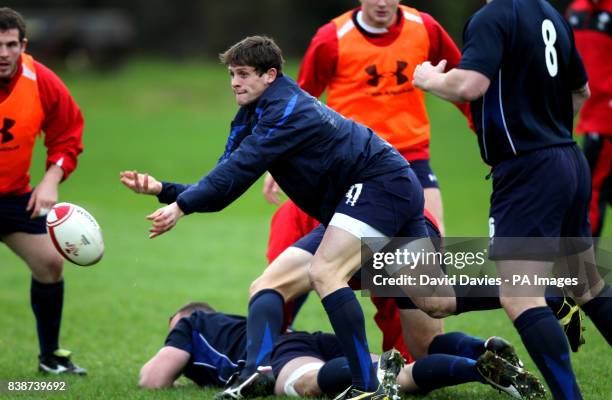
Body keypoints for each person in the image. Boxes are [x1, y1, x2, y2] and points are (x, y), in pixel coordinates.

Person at [121, 34, 449, 399]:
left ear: (270, 75)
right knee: (436, 300)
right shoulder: (253, 113)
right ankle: (255, 374)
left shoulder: (288, 110)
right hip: (360, 199)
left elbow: (240, 168)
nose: (235, 82)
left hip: (381, 185)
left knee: (326, 272)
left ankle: (365, 385)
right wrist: (163, 189)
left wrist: (181, 208)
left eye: (243, 73)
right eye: (231, 74)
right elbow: (223, 180)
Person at [413, 0, 612, 398]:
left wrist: (427, 80)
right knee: (586, 284)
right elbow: (581, 90)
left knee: (520, 294)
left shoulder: (492, 17)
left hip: (528, 171)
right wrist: (545, 123)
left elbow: (470, 85)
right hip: (567, 160)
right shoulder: (551, 13)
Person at [261, 0, 476, 361]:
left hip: (413, 163)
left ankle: (414, 361)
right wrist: (277, 158)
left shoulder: (424, 27)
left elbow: (465, 82)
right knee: (318, 264)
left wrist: (487, 134)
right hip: (352, 167)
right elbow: (298, 97)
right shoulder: (333, 37)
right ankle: (272, 350)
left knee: (426, 288)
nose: (381, 2)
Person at [140, 301, 545, 399]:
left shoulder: (191, 325)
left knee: (309, 383)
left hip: (285, 351)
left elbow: (154, 379)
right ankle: (479, 366)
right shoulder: (228, 325)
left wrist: (172, 357)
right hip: (309, 338)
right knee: (399, 378)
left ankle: (477, 367)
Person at [0, 8, 86, 375]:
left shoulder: (41, 81)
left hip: (13, 196)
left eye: (9, 45)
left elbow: (67, 133)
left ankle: (49, 358)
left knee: (50, 263)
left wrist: (52, 177)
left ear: (23, 45)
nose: (2, 53)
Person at [567, 0, 612, 238]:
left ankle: (585, 267)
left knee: (591, 191)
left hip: (606, 120)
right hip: (589, 116)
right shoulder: (576, 11)